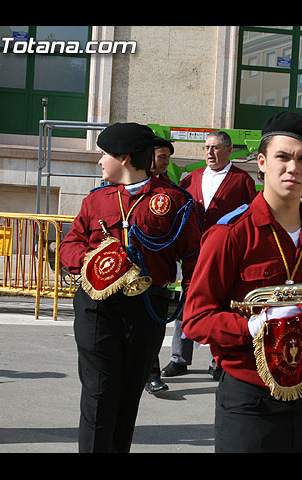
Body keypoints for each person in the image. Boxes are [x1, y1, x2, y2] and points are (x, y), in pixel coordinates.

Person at [182, 111, 302, 453]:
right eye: (283, 157)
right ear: (262, 162)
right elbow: (196, 318)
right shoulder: (230, 235)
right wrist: (252, 327)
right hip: (250, 398)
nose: (293, 167)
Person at [59, 122, 201, 453]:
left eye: (104, 155)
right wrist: (95, 261)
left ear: (124, 158)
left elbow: (195, 256)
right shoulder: (97, 201)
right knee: (99, 391)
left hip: (146, 307)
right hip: (98, 306)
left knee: (128, 393)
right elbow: (70, 244)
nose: (100, 162)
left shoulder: (173, 201)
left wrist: (195, 305)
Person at [161, 131, 257, 380]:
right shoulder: (191, 178)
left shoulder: (242, 181)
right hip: (194, 256)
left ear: (228, 150)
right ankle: (179, 358)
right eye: (206, 148)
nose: (209, 153)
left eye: (215, 148)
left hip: (226, 255)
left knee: (222, 306)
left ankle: (219, 361)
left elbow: (250, 216)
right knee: (187, 303)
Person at [144, 135, 177, 395]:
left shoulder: (170, 189)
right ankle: (146, 373)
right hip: (133, 271)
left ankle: (150, 373)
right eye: (162, 156)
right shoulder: (134, 185)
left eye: (167, 157)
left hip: (159, 271)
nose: (166, 162)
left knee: (154, 329)